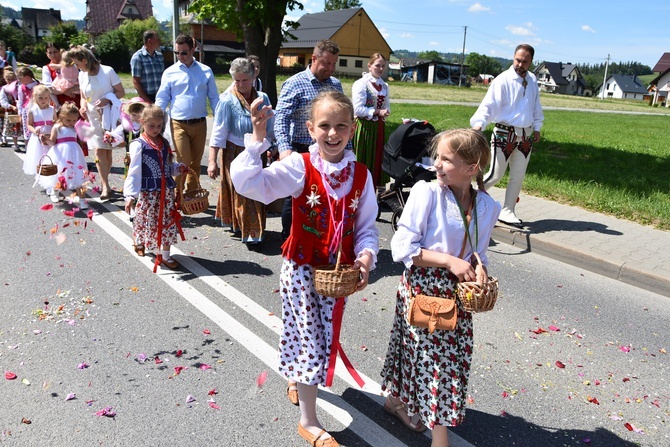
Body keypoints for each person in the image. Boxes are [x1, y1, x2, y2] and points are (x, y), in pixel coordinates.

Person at [231, 91, 379, 447]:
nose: (332, 134)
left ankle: (297, 377)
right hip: (301, 269)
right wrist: (256, 139)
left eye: (341, 125)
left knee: (316, 334)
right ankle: (309, 421)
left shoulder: (360, 175)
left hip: (336, 274)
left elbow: (367, 226)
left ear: (352, 128)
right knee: (312, 339)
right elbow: (252, 183)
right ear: (310, 129)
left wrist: (366, 257)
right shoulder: (300, 166)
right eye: (324, 126)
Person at [380, 129, 501, 447]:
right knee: (435, 365)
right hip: (424, 289)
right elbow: (402, 248)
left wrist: (480, 268)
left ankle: (395, 401)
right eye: (438, 156)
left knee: (444, 363)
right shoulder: (427, 193)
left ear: (472, 167)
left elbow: (480, 251)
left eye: (447, 159)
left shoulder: (488, 207)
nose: (437, 164)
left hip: (458, 297)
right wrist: (450, 262)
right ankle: (441, 439)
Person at [274, 39, 343, 240]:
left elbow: (342, 120)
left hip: (328, 150)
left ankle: (320, 236)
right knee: (296, 196)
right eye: (326, 63)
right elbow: (281, 117)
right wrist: (284, 148)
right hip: (301, 150)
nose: (330, 68)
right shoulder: (295, 83)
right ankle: (290, 238)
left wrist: (346, 150)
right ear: (314, 59)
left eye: (334, 64)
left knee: (325, 195)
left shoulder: (335, 86)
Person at [470, 43, 544, 228]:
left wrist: (537, 127)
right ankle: (468, 199)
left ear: (531, 62)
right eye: (518, 60)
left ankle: (508, 210)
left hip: (525, 137)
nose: (520, 64)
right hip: (504, 134)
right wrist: (480, 122)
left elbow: (536, 106)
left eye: (525, 61)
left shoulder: (533, 80)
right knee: (496, 174)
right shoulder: (503, 79)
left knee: (517, 177)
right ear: (513, 57)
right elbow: (489, 104)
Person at [207, 57, 274, 243]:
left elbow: (270, 126)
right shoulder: (227, 101)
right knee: (242, 191)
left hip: (257, 150)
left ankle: (254, 229)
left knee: (256, 190)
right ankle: (250, 232)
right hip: (234, 152)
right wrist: (212, 161)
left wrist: (271, 147)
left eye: (245, 80)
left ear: (253, 78)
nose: (241, 84)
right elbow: (218, 133)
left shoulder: (263, 98)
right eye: (237, 80)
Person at [123, 104, 188, 271]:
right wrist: (130, 195)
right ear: (143, 122)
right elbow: (134, 171)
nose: (156, 129)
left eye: (159, 126)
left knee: (167, 222)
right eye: (152, 125)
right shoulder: (138, 144)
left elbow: (167, 167)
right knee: (145, 219)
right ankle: (139, 240)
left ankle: (165, 255)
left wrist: (177, 168)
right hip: (149, 194)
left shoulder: (164, 143)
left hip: (166, 194)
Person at [156, 34, 219, 196]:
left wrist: (220, 119)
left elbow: (214, 97)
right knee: (183, 162)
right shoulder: (170, 72)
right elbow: (162, 98)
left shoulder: (206, 71)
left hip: (200, 123)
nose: (180, 56)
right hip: (178, 123)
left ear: (193, 49)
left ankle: (192, 193)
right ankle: (176, 195)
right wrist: (155, 116)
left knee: (196, 163)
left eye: (184, 52)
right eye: (177, 53)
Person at [70, 45, 125, 201]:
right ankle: (105, 185)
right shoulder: (82, 75)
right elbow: (82, 95)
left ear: (84, 60)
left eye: (76, 63)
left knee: (107, 150)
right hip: (92, 117)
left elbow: (121, 91)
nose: (75, 66)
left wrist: (107, 99)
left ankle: (106, 183)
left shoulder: (107, 71)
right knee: (99, 151)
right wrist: (82, 106)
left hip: (108, 116)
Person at [352, 53, 391, 187]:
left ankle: (374, 190)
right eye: (377, 65)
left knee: (378, 159)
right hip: (365, 127)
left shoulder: (385, 86)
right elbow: (357, 110)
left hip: (379, 127)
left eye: (383, 66)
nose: (380, 69)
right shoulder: (361, 84)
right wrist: (377, 111)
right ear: (369, 66)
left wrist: (385, 112)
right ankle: (359, 189)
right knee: (364, 158)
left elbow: (386, 105)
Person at [41, 102, 90, 208]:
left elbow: (87, 131)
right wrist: (46, 139)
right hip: (60, 154)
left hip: (75, 153)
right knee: (59, 173)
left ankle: (82, 200)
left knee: (78, 174)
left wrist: (85, 118)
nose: (71, 122)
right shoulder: (57, 127)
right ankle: (55, 191)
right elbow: (53, 142)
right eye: (68, 120)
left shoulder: (75, 127)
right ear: (62, 117)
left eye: (74, 120)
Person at [23, 85, 54, 177]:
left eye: (46, 98)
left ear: (49, 98)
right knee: (39, 155)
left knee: (51, 154)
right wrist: (35, 131)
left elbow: (55, 121)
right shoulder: (32, 110)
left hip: (49, 135)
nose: (43, 100)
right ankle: (41, 174)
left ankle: (51, 173)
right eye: (40, 98)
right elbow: (29, 124)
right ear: (35, 97)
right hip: (38, 137)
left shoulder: (52, 109)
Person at [130, 30, 164, 103]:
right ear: (150, 41)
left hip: (160, 97)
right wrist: (147, 101)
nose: (159, 41)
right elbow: (136, 81)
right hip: (146, 98)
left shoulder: (159, 56)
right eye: (157, 39)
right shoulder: (138, 57)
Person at [42, 43, 80, 107]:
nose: (53, 55)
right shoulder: (47, 68)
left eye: (55, 52)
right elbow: (49, 88)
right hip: (59, 103)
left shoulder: (72, 64)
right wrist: (65, 91)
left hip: (76, 100)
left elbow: (82, 82)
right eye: (50, 53)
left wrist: (69, 90)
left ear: (60, 52)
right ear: (46, 54)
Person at [17, 67, 40, 151]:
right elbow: (20, 101)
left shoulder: (38, 85)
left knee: (37, 128)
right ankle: (28, 148)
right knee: (27, 129)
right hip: (26, 111)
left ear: (27, 77)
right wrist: (20, 113)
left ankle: (38, 147)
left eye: (20, 78)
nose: (19, 81)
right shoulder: (21, 87)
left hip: (37, 110)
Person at [0, 68, 21, 150]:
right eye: (8, 79)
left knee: (22, 127)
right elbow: (3, 101)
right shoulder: (4, 89)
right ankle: (16, 144)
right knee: (14, 127)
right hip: (11, 111)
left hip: (19, 109)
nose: (10, 81)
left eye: (12, 79)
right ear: (5, 79)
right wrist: (11, 106)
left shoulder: (18, 87)